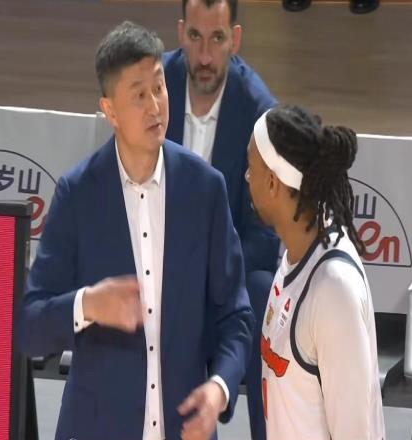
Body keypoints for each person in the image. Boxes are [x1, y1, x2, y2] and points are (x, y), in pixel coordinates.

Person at [16, 21, 254, 440]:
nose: (155, 106)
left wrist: (219, 387)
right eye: (139, 95)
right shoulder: (77, 194)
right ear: (109, 111)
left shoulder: (205, 189)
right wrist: (88, 304)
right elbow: (30, 328)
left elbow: (235, 315)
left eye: (159, 88)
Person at [163, 2, 279, 437]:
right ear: (180, 33)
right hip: (157, 271)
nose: (205, 56)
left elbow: (264, 237)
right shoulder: (153, 88)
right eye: (195, 37)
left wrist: (205, 274)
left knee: (263, 291)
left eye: (217, 39)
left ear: (236, 39)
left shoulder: (259, 112)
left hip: (225, 280)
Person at [245, 104, 385, 439]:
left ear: (273, 183)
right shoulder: (296, 253)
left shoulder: (333, 292)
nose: (246, 177)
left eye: (251, 168)